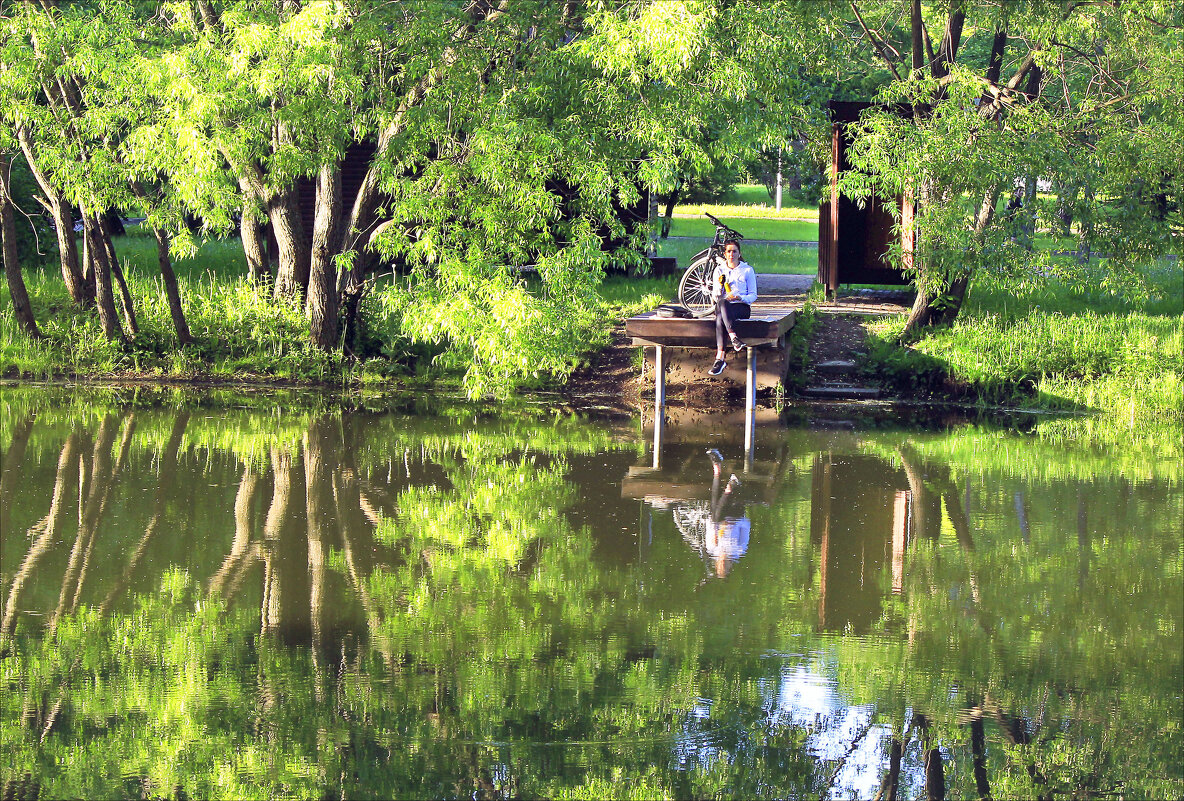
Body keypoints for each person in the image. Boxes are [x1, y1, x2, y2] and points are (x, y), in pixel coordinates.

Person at [707, 242, 757, 376]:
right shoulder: (719, 270)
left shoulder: (747, 270)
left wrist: (740, 297)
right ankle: (734, 338)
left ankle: (720, 358)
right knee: (722, 303)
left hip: (740, 307)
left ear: (739, 254)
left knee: (719, 318)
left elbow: (753, 295)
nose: (731, 254)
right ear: (725, 254)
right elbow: (716, 296)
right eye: (728, 252)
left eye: (734, 251)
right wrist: (719, 285)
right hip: (724, 305)